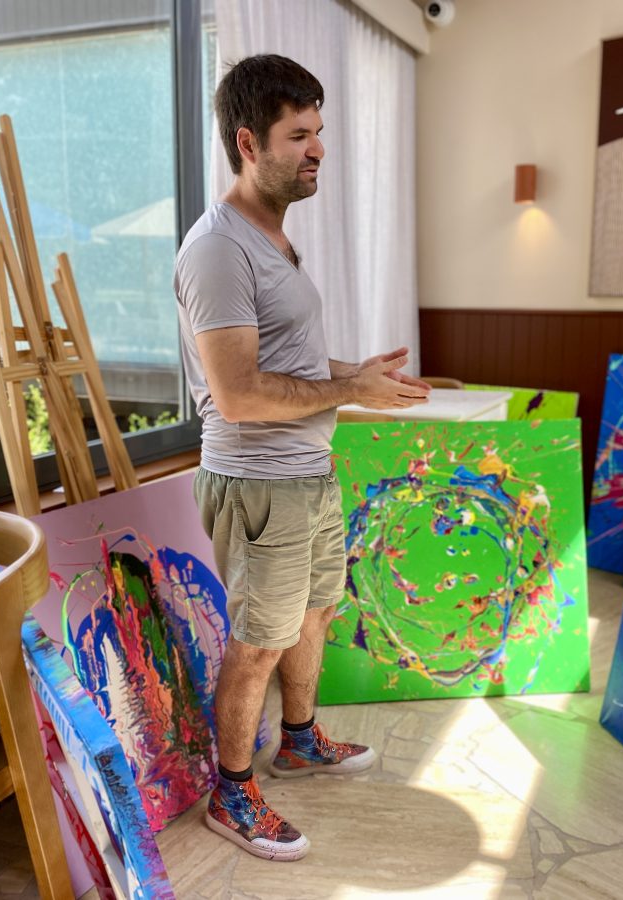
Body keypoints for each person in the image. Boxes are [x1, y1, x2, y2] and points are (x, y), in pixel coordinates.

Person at [173, 53, 430, 861]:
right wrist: (349, 389)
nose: (317, 150)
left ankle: (302, 738)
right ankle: (233, 793)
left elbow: (286, 362)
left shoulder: (275, 240)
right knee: (259, 642)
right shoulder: (218, 250)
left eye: (319, 134)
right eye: (299, 136)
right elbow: (241, 393)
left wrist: (354, 374)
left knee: (314, 615)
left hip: (309, 474)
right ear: (249, 142)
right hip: (259, 482)